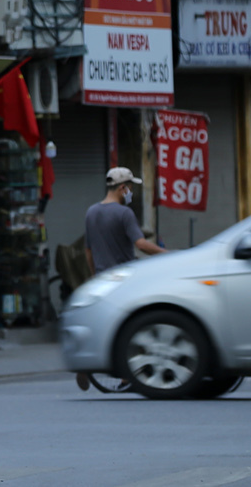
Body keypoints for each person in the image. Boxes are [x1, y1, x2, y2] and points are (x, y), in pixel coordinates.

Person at [77, 167, 166, 390]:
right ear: (122, 188)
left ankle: (89, 364)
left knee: (107, 324)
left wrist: (94, 274)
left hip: (102, 278)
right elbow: (141, 244)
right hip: (125, 280)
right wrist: (170, 255)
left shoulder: (91, 212)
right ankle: (128, 374)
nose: (131, 192)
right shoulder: (124, 214)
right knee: (134, 325)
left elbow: (87, 250)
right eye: (130, 188)